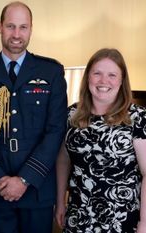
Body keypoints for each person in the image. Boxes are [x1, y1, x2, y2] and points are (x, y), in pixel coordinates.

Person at [0, 2, 68, 233]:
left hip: (37, 189)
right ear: (0, 27)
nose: (17, 34)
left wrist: (24, 179)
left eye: (23, 27)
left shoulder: (51, 72)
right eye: (11, 26)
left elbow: (56, 131)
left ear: (31, 29)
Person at [55, 48, 146, 232]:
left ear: (122, 81)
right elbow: (63, 161)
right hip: (79, 216)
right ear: (88, 77)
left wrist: (144, 222)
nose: (104, 81)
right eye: (97, 73)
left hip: (122, 219)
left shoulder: (137, 117)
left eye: (112, 75)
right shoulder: (71, 115)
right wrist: (60, 203)